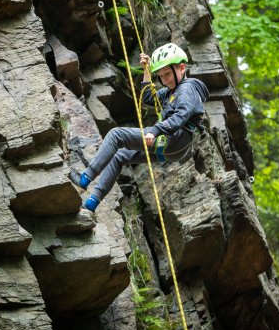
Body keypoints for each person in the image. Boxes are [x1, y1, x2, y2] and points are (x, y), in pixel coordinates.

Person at [70, 43, 209, 212]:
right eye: (161, 76)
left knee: (116, 135)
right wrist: (147, 71)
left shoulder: (186, 89)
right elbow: (148, 98)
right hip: (176, 147)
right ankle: (92, 203)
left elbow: (181, 116)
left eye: (167, 74)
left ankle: (84, 180)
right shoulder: (171, 91)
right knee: (119, 156)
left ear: (181, 68)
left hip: (175, 139)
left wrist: (155, 131)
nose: (164, 79)